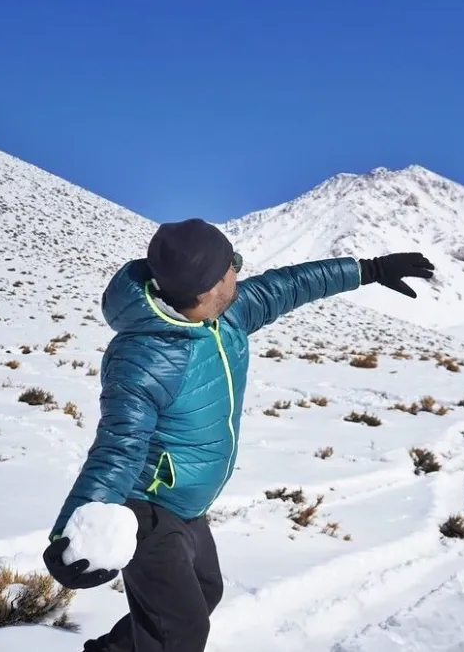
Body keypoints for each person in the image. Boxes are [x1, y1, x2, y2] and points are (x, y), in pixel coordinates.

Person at [42, 218, 435, 652]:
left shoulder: (227, 315)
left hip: (191, 503)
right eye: (233, 265)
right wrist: (71, 534)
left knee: (205, 593)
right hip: (148, 507)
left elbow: (288, 285)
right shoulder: (145, 358)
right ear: (207, 286)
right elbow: (118, 448)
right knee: (181, 631)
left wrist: (370, 269)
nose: (239, 271)